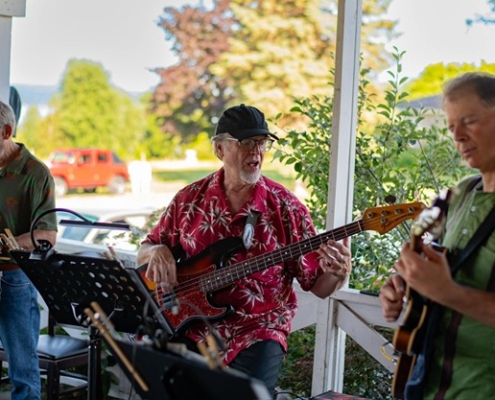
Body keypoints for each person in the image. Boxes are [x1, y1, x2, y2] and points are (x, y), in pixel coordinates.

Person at [137, 103, 351, 397]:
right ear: (220, 149)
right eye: (246, 142)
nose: (256, 152)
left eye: (262, 143)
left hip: (258, 330)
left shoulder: (286, 208)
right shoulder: (189, 199)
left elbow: (319, 287)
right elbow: (145, 250)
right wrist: (156, 250)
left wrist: (340, 274)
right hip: (190, 325)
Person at [379, 72, 495, 400]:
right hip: (429, 385)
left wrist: (447, 292)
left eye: (470, 121)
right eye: (451, 126)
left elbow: (446, 288)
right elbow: (437, 260)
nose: (457, 135)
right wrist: (403, 285)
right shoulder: (459, 195)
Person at [0, 99, 57, 399]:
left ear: (7, 131)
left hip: (15, 278)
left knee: (22, 369)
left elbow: (47, 235)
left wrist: (7, 243)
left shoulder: (36, 173)